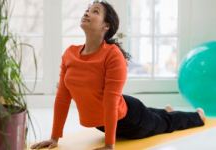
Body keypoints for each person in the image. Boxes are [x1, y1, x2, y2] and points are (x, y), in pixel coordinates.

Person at [31, 1, 205, 150]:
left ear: (105, 26)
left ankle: (197, 116)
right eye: (87, 9)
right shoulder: (70, 53)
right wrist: (54, 138)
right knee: (153, 114)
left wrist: (109, 146)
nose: (87, 12)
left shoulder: (113, 55)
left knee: (165, 123)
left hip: (129, 120)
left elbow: (110, 102)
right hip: (105, 122)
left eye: (95, 11)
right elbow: (62, 97)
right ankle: (163, 111)